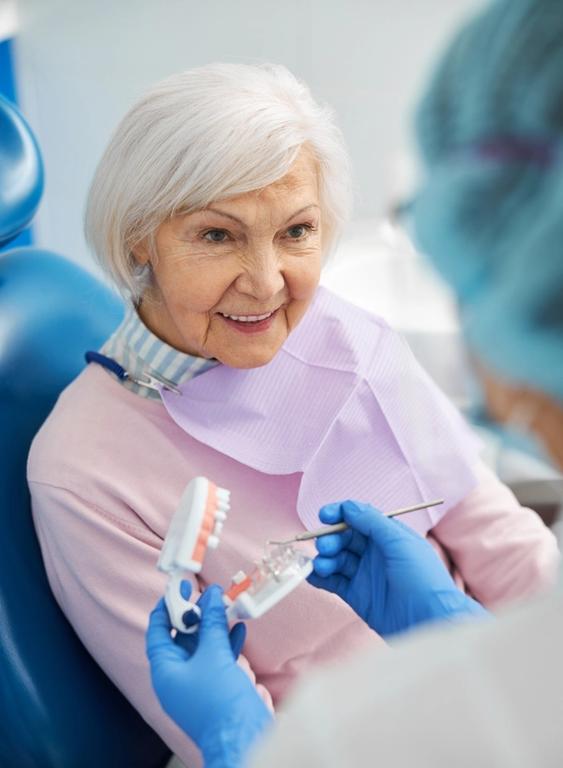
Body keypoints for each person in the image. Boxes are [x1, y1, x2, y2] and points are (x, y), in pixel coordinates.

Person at [29, 61, 557, 766]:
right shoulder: (83, 470)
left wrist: (505, 658)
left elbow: (502, 544)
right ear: (138, 240)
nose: (267, 281)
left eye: (296, 231)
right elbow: (224, 730)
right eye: (217, 235)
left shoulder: (345, 336)